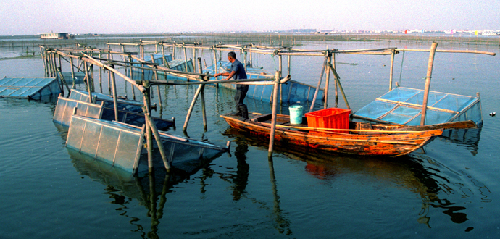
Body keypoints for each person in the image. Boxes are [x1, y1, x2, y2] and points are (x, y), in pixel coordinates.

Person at [214, 51, 249, 119]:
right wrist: (219, 74)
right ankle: (239, 113)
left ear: (230, 58)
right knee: (237, 98)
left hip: (242, 85)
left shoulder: (236, 64)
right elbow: (230, 72)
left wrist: (227, 79)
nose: (228, 59)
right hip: (240, 85)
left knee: (239, 101)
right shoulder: (235, 63)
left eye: (228, 58)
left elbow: (233, 72)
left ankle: (245, 117)